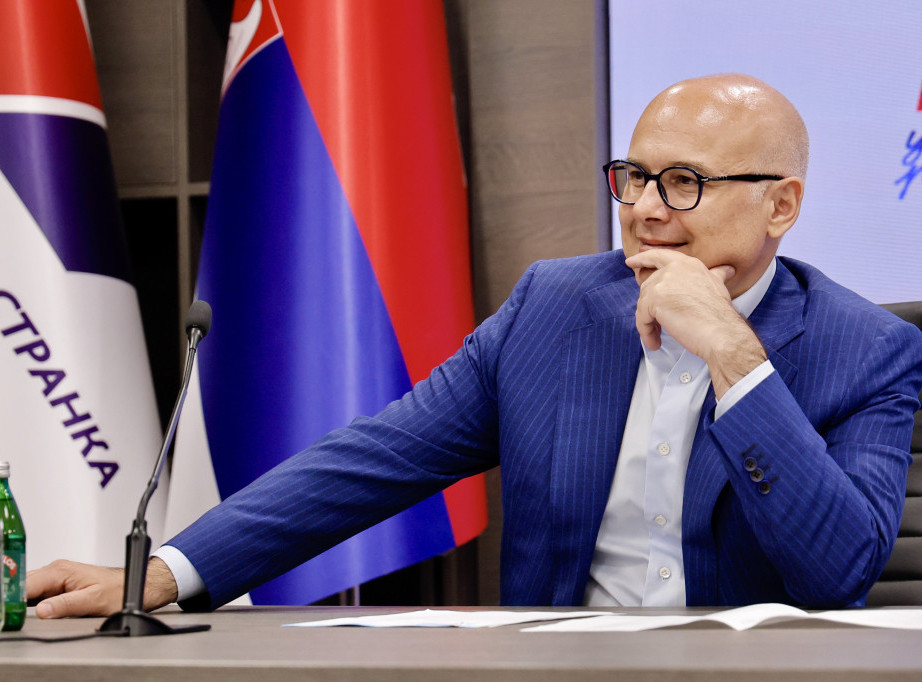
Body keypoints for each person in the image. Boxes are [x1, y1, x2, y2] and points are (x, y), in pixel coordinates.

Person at [28, 73, 922, 616]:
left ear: (781, 205)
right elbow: (374, 459)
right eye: (634, 177)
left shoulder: (869, 350)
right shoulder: (554, 310)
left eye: (684, 182)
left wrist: (732, 352)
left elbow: (836, 572)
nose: (647, 209)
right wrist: (171, 573)